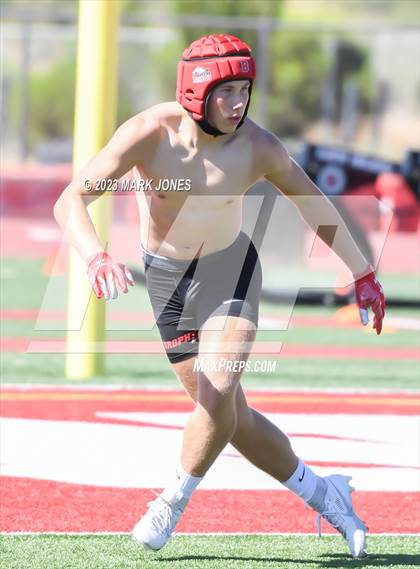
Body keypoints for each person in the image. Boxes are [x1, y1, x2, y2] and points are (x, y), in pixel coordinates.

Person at [54, 34, 385, 559]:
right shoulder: (147, 133)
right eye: (226, 92)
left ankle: (170, 501)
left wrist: (364, 273)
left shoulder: (259, 146)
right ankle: (327, 495)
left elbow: (315, 207)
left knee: (219, 387)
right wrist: (95, 255)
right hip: (167, 280)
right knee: (228, 417)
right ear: (195, 93)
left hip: (231, 268)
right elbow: (72, 199)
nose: (239, 104)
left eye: (244, 90)